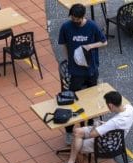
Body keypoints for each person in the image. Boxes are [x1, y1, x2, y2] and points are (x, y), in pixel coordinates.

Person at [56, 91, 133, 163]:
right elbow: (116, 125)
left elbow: (92, 134)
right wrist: (103, 125)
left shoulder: (113, 123)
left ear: (111, 105)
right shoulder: (130, 108)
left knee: (76, 146)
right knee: (77, 132)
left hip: (106, 143)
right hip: (116, 138)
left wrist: (95, 125)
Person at [58, 3, 107, 145]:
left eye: (76, 19)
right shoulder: (66, 27)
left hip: (91, 69)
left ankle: (89, 128)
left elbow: (104, 42)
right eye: (72, 18)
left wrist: (90, 46)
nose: (74, 21)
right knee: (73, 100)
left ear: (82, 16)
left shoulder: (92, 26)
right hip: (75, 70)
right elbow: (64, 45)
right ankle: (69, 131)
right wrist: (68, 61)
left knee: (92, 97)